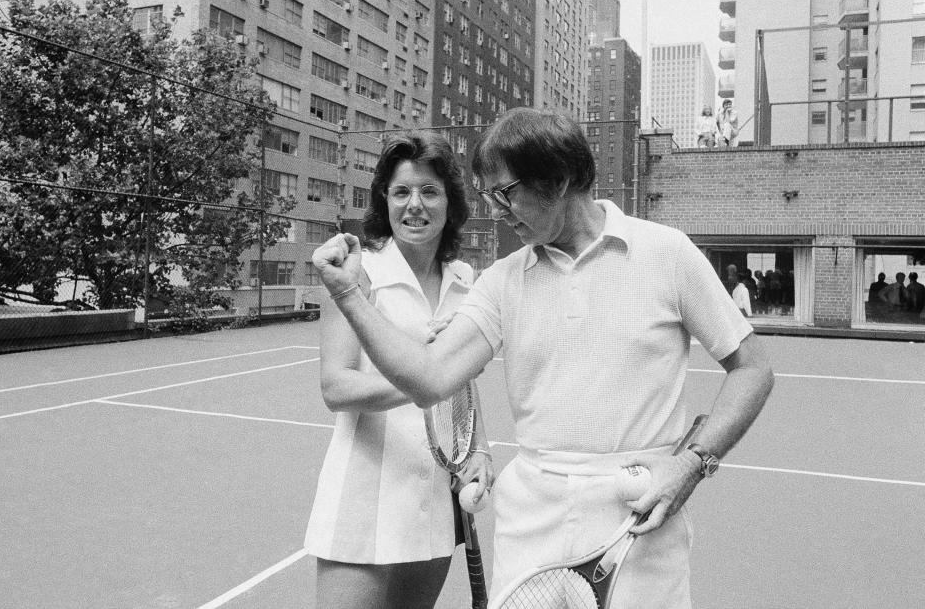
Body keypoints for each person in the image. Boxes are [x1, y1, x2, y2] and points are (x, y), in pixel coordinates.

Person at [312, 108, 774, 608]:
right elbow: (429, 380)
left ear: (561, 178)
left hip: (638, 515)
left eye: (506, 193)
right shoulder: (500, 281)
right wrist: (349, 294)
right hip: (530, 521)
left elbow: (752, 368)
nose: (497, 210)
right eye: (488, 196)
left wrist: (691, 465)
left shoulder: (668, 253)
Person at [304, 131, 493, 609]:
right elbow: (336, 386)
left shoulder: (465, 282)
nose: (415, 205)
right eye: (401, 192)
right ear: (383, 200)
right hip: (363, 495)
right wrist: (423, 377)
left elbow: (461, 386)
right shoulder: (354, 273)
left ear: (450, 202)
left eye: (429, 191)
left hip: (432, 499)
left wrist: (480, 451)